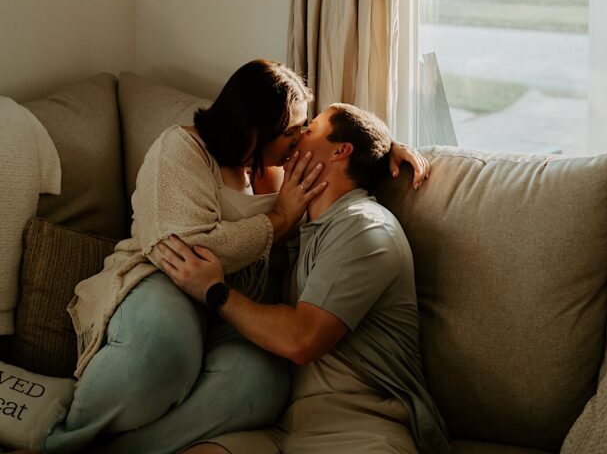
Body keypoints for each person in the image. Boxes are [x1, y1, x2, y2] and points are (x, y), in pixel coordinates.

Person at [43, 61, 427, 454]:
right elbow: (185, 251)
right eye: (293, 131)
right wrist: (279, 219)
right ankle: (66, 442)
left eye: (303, 129)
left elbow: (342, 147)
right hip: (167, 283)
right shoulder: (182, 150)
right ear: (256, 128)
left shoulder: (289, 171)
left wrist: (382, 151)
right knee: (167, 347)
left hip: (236, 305)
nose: (298, 138)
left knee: (261, 384)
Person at [160, 103, 450, 454]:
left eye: (308, 129)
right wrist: (385, 145)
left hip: (361, 430)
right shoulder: (304, 227)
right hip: (286, 428)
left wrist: (215, 291)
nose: (295, 137)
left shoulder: (363, 226)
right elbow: (244, 119)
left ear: (341, 151)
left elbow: (302, 339)